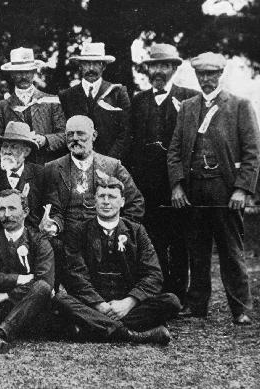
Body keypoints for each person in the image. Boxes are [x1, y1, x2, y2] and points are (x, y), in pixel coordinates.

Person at [167, 52, 260, 325]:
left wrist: (242, 189)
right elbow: (174, 151)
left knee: (231, 251)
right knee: (196, 250)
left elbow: (252, 153)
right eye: (201, 74)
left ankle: (240, 308)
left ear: (220, 74)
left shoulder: (239, 106)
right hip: (194, 191)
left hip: (226, 191)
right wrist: (177, 186)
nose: (206, 79)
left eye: (211, 74)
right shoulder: (188, 107)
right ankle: (196, 304)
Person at [55, 177, 180, 345]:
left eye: (112, 197)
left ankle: (91, 328)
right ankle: (131, 335)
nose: (106, 202)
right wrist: (99, 304)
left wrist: (128, 303)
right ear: (94, 201)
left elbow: (153, 274)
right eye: (101, 196)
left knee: (171, 301)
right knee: (61, 300)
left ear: (122, 202)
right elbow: (75, 275)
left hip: (127, 307)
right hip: (93, 305)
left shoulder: (136, 231)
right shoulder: (79, 231)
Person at [128, 44, 199, 301]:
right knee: (152, 237)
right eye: (154, 66)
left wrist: (181, 181)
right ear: (147, 69)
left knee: (179, 239)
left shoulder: (190, 98)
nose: (159, 71)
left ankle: (179, 294)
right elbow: (131, 143)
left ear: (174, 68)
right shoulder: (138, 100)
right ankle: (157, 291)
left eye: (164, 66)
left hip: (177, 183)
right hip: (146, 184)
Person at [42, 115, 144, 288]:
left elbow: (136, 202)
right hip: (68, 237)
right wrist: (53, 225)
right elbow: (53, 208)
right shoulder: (52, 168)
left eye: (81, 134)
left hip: (104, 235)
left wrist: (119, 229)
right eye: (70, 134)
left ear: (94, 135)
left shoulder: (113, 166)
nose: (75, 139)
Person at [0, 189, 55, 351]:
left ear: (25, 212)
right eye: (2, 209)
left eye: (12, 208)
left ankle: (0, 334)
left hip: (25, 310)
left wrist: (6, 295)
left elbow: (44, 281)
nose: (6, 214)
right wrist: (20, 279)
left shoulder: (39, 241)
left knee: (42, 287)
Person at [0, 122, 60, 248]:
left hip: (33, 241)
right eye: (5, 146)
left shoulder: (41, 174)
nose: (7, 152)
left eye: (14, 147)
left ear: (26, 151)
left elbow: (54, 209)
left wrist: (52, 225)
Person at [58, 43, 130, 161]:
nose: (91, 68)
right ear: (80, 66)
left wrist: (108, 162)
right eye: (86, 63)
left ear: (104, 66)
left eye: (96, 63)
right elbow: (64, 133)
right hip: (77, 162)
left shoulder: (118, 92)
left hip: (110, 163)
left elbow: (125, 133)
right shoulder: (66, 95)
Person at [0, 47, 66, 165]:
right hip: (16, 169)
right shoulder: (2, 106)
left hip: (45, 167)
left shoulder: (51, 101)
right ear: (12, 74)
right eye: (19, 72)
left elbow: (65, 135)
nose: (23, 76)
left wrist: (46, 140)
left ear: (35, 72)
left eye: (28, 71)